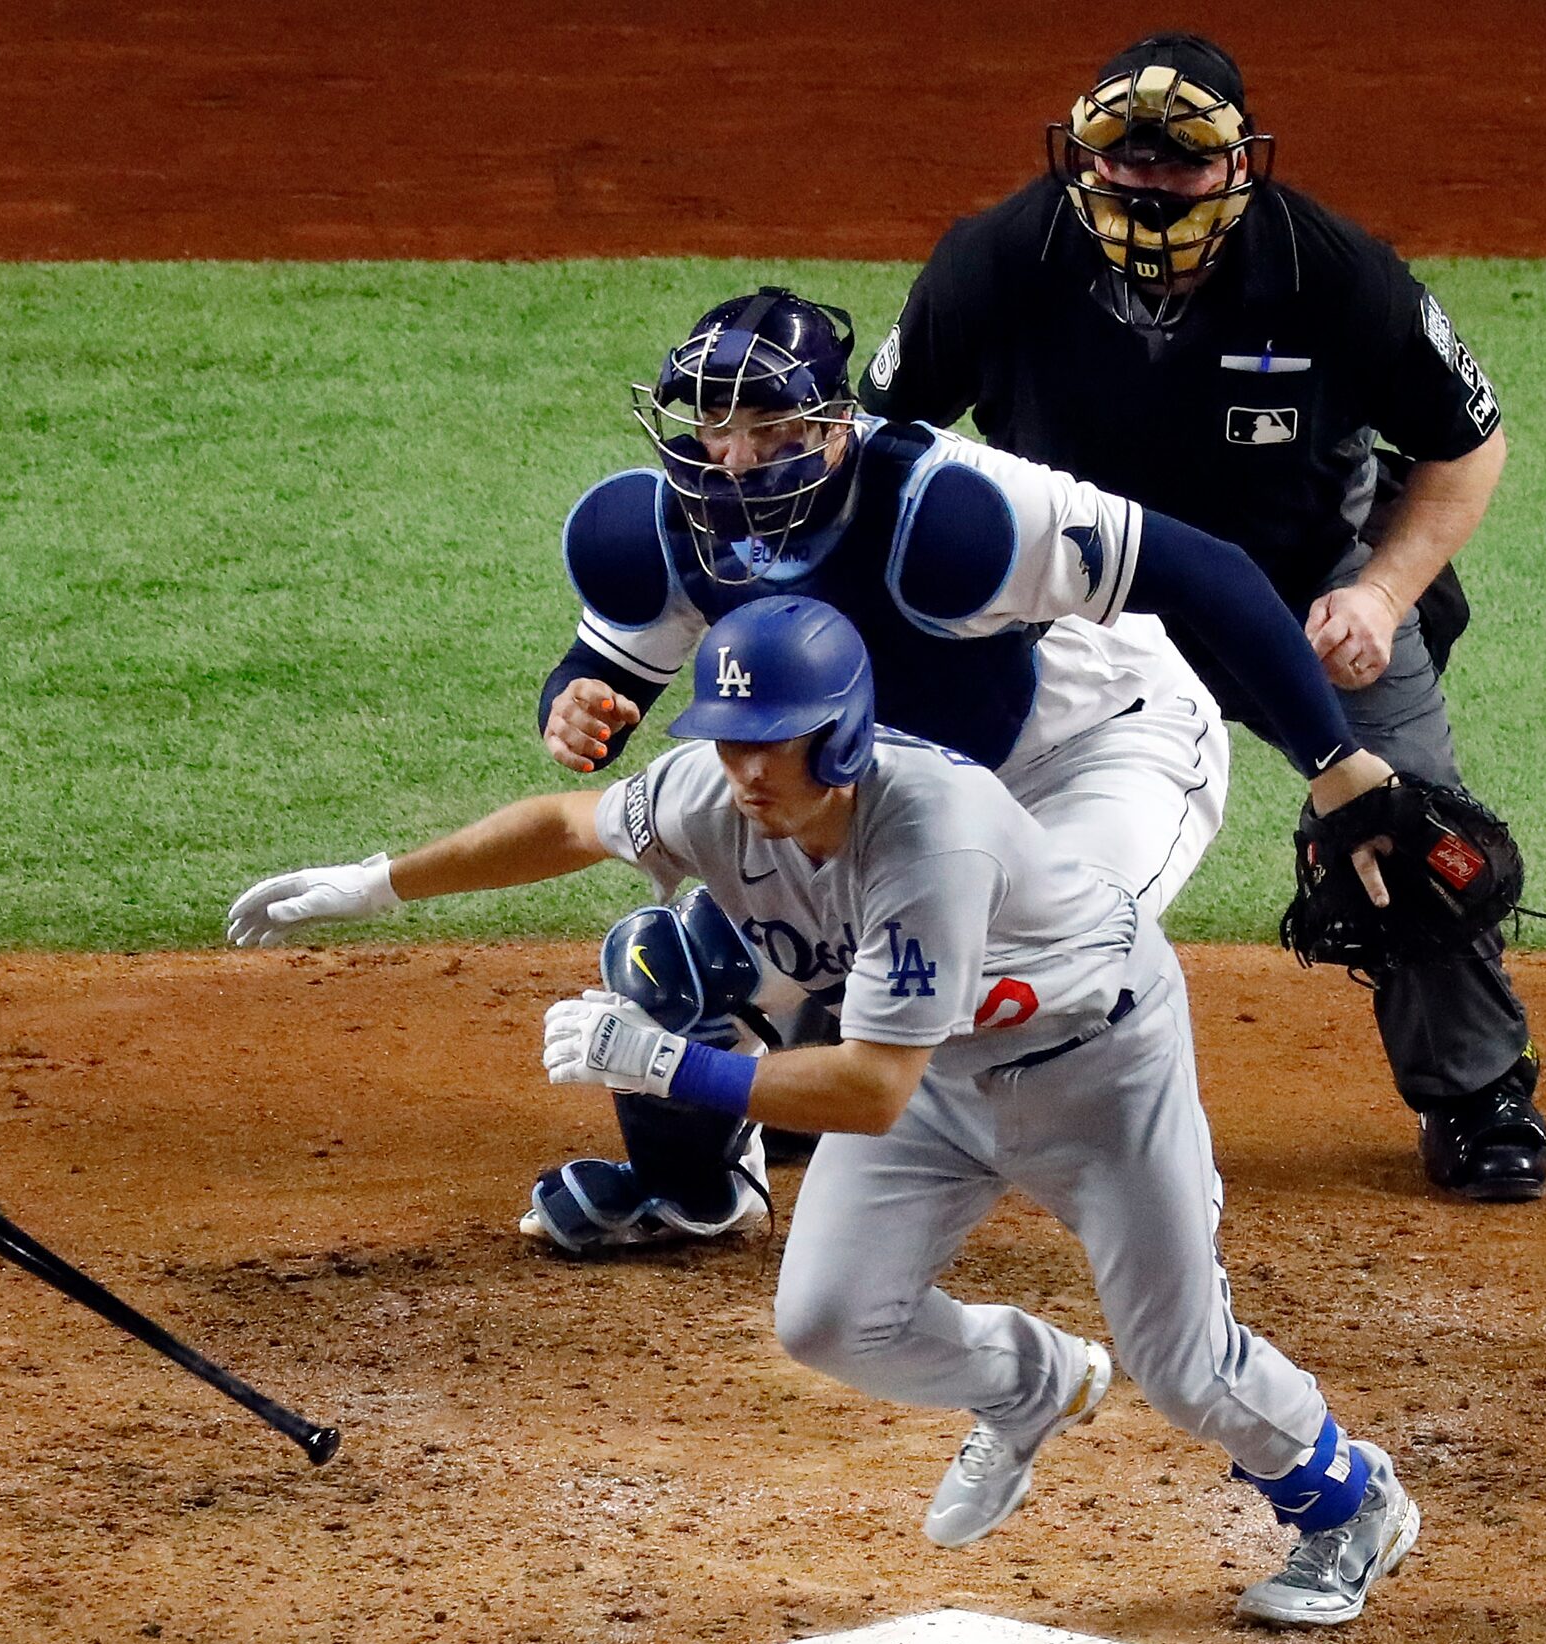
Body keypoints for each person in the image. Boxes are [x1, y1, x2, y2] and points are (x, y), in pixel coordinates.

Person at [230, 597, 1421, 1626]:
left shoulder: (930, 838)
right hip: (943, 1075)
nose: (744, 771)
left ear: (842, 734)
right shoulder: (719, 793)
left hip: (1097, 1072)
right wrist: (373, 882)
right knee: (829, 1320)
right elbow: (564, 825)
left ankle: (1349, 1502)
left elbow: (865, 1085)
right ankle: (1023, 1383)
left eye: (774, 745)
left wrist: (668, 1067)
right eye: (727, 740)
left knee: (1179, 1368)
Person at [522, 282, 1396, 1248]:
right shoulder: (675, 519)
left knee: (1035, 979)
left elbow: (1209, 574)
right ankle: (692, 1188)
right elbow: (612, 663)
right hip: (882, 793)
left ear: (831, 425)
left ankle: (1160, 1194)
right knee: (671, 970)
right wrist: (580, 701)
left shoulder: (955, 511)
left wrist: (1334, 761)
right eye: (711, 425)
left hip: (1089, 755)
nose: (731, 456)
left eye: (766, 425)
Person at [857, 32, 1546, 1203]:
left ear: (1237, 167)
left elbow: (1465, 443)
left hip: (1298, 599)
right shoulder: (997, 261)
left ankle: (1479, 1094)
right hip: (1071, 611)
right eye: (1119, 159)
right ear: (1079, 157)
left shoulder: (1327, 270)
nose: (1144, 183)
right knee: (891, 790)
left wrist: (1378, 593)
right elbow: (877, 444)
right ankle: (830, 1051)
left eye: (1178, 164)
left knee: (1415, 824)